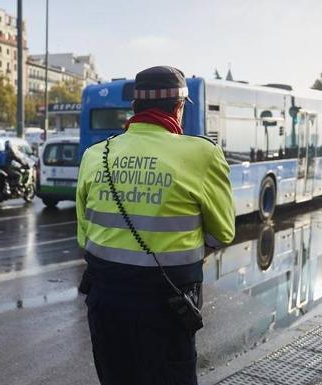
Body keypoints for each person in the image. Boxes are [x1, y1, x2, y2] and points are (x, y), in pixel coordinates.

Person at [76, 66, 235, 385]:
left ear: (134, 108)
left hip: (105, 304)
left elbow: (86, 237)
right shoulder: (202, 154)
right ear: (178, 108)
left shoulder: (95, 155)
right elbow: (222, 232)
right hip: (168, 307)